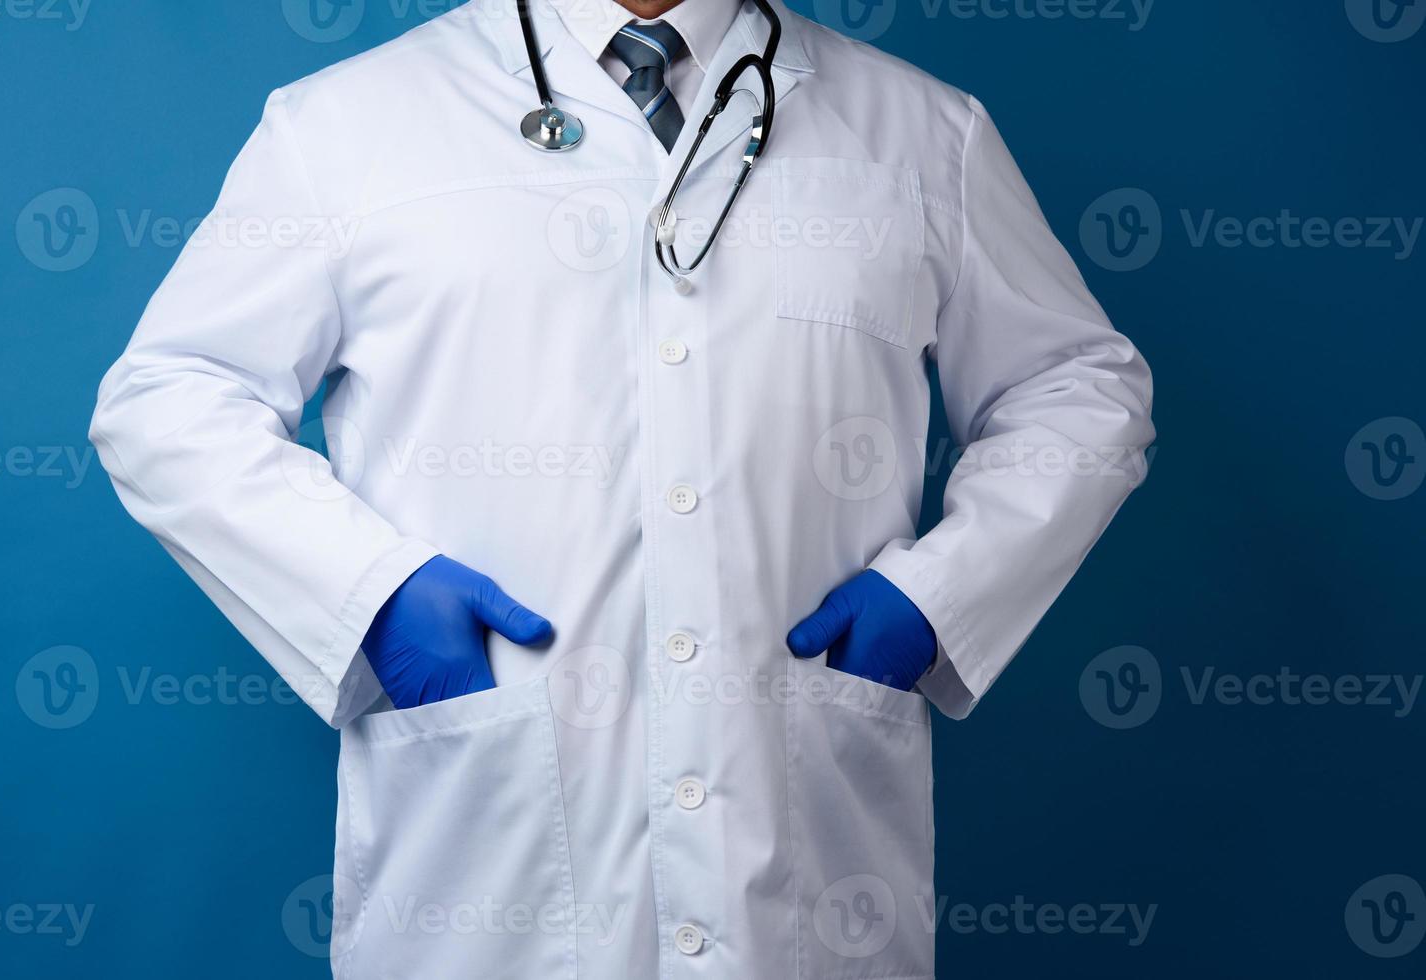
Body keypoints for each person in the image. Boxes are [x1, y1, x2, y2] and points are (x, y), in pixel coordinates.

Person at [90, 0, 1154, 973]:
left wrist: (941, 597)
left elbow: (1078, 386)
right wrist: (368, 594)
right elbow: (170, 400)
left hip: (807, 876)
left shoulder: (919, 132)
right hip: (484, 877)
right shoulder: (351, 124)